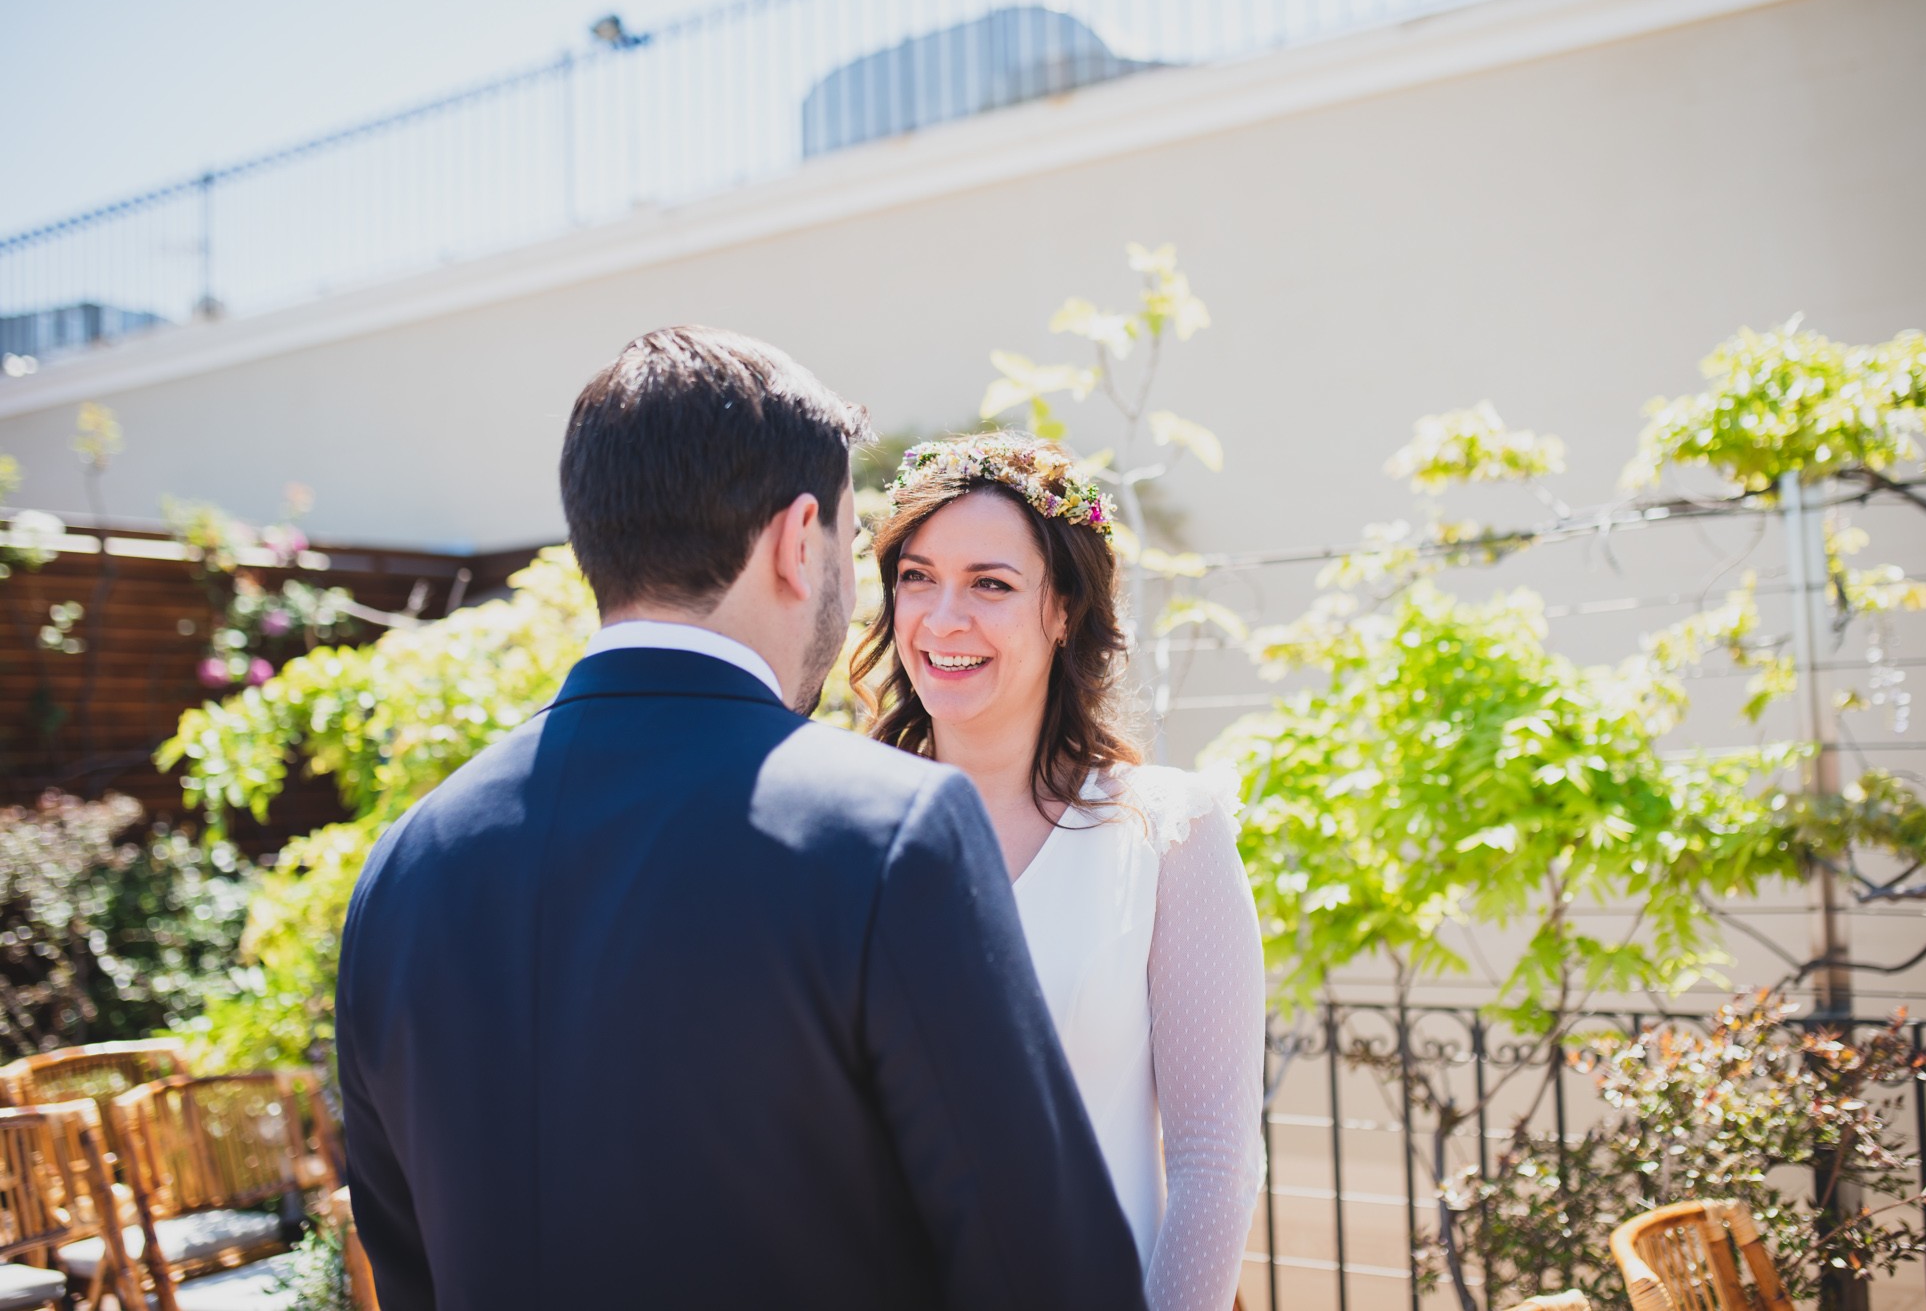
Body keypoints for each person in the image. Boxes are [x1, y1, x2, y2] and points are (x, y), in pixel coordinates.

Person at [336, 328, 1148, 1311]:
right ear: (797, 541)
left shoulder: (403, 868)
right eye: (851, 542)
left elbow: (407, 1271)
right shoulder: (887, 834)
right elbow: (1052, 1275)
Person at [851, 431, 1267, 1311]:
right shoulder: (838, 829)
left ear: (1065, 609)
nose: (943, 617)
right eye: (918, 576)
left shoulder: (1166, 831)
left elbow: (1214, 1160)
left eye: (990, 584)